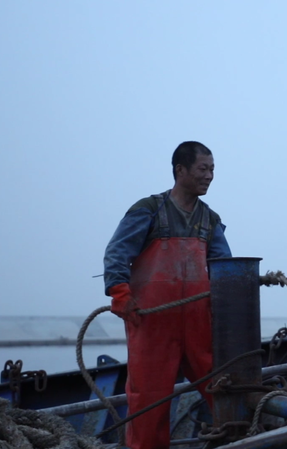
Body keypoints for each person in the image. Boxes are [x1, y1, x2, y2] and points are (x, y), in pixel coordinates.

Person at [103, 141, 233, 449]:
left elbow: (225, 269)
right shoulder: (148, 210)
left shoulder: (210, 220)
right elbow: (117, 253)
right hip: (152, 325)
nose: (209, 176)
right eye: (203, 169)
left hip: (200, 324)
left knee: (226, 392)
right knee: (148, 404)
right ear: (180, 170)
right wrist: (120, 293)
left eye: (212, 169)